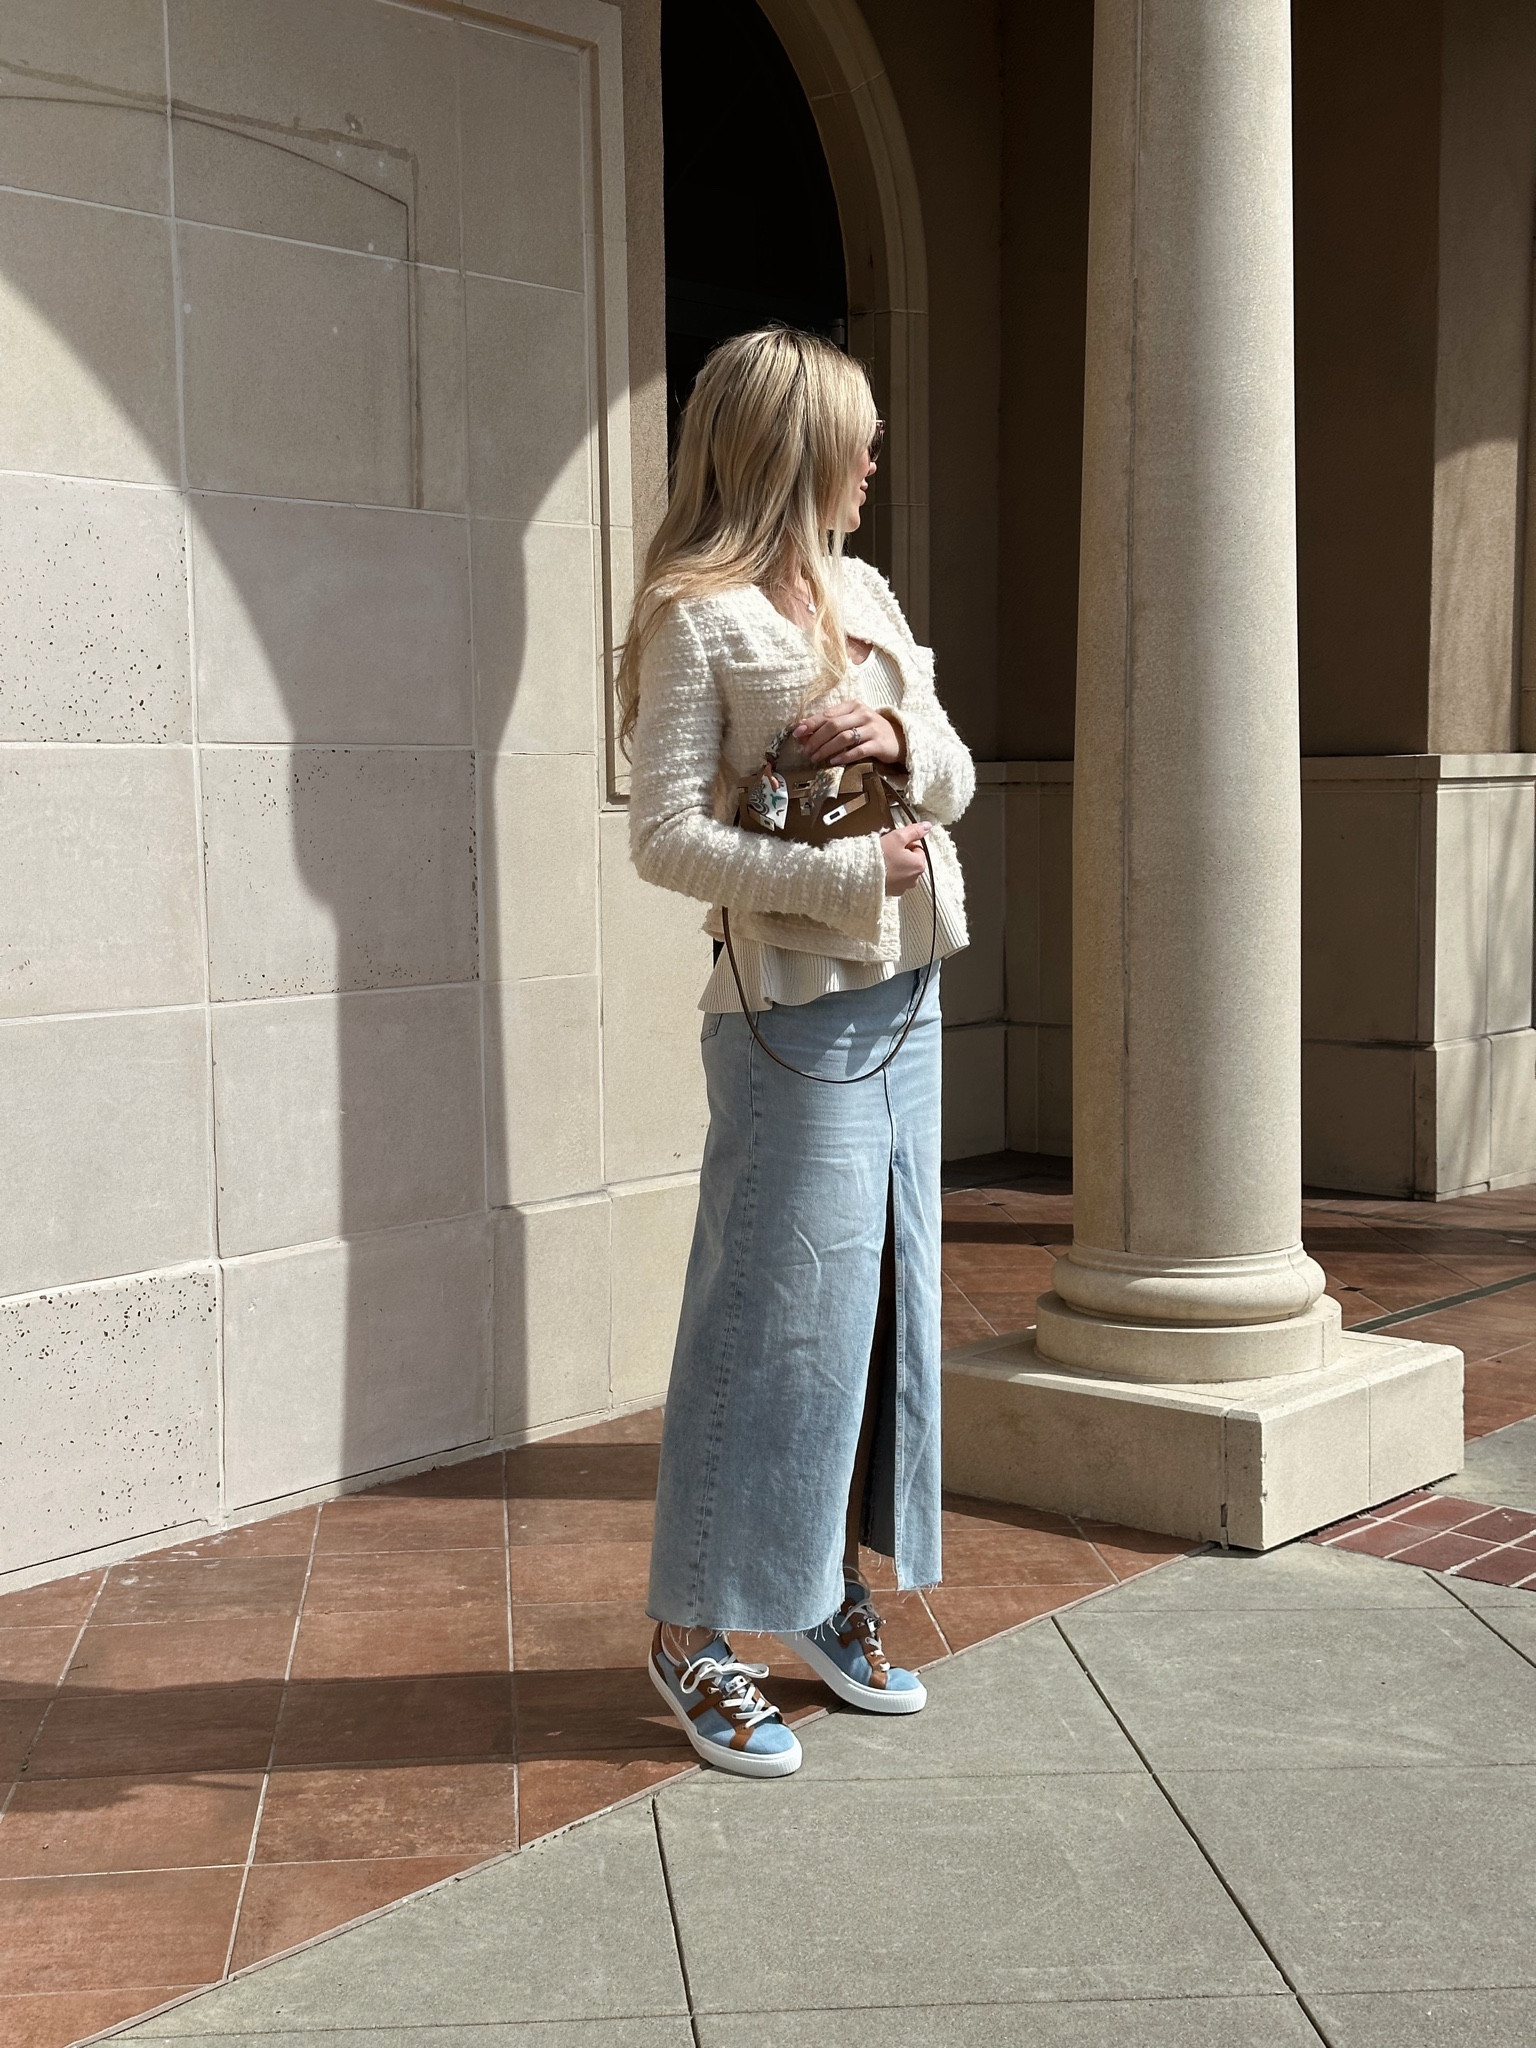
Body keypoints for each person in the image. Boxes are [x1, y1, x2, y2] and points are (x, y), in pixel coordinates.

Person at [619, 326, 975, 1777]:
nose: (876, 463)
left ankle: (821, 1589)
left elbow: (949, 773)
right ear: (794, 450)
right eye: (859, 440)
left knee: (877, 1314)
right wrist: (844, 876)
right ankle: (693, 1627)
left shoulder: (863, 589)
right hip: (795, 1013)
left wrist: (893, 729)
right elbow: (663, 840)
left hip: (911, 1000)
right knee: (768, 1321)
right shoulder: (694, 618)